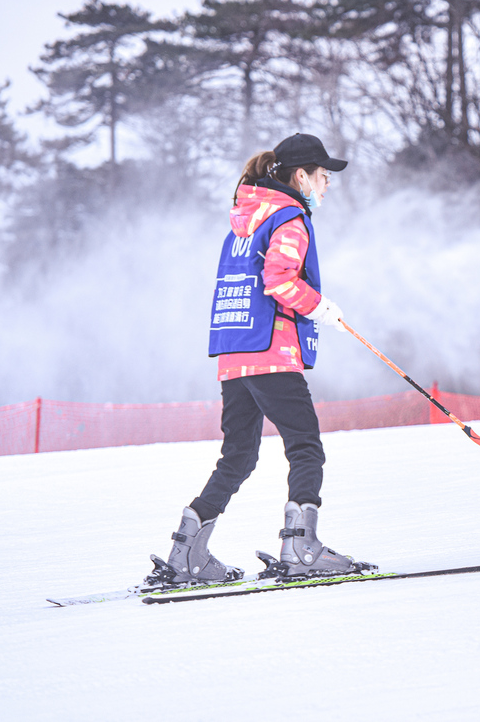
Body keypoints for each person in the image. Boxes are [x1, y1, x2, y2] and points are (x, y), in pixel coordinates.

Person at [152, 132, 370, 585]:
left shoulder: (245, 219)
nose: (326, 183)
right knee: (305, 446)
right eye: (323, 174)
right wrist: (320, 308)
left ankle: (186, 553)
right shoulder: (289, 217)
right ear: (301, 176)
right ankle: (301, 548)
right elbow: (278, 279)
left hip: (234, 356)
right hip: (270, 352)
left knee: (238, 456)